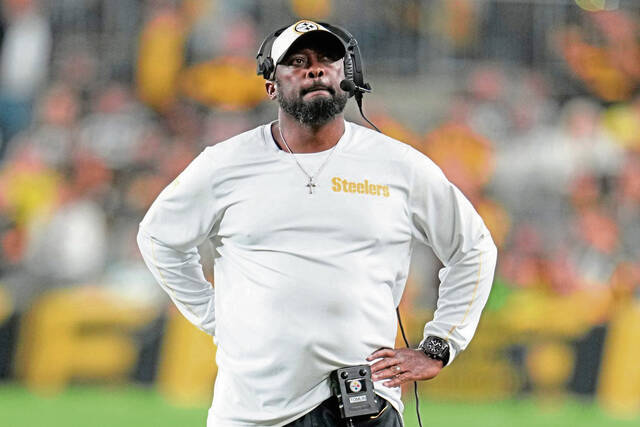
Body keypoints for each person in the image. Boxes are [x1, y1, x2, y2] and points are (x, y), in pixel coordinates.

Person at [138, 20, 497, 427]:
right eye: (297, 61)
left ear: (350, 77)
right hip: (253, 411)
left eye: (328, 59)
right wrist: (214, 314)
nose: (315, 69)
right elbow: (158, 238)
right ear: (271, 84)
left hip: (366, 405)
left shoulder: (399, 165)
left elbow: (474, 249)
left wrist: (439, 344)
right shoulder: (223, 163)